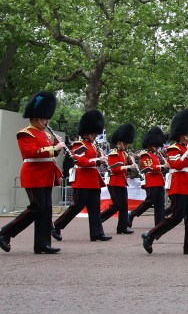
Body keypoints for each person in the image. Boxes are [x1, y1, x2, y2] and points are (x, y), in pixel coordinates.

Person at [1, 91, 64, 254]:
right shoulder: (25, 133)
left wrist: (57, 147)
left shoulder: (44, 133)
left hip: (46, 176)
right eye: (45, 118)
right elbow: (31, 152)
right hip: (34, 175)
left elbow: (49, 153)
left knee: (46, 209)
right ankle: (5, 233)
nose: (47, 121)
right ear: (35, 117)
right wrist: (53, 148)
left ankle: (42, 244)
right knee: (37, 208)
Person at [141, 109, 188, 255]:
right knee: (176, 216)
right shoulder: (173, 148)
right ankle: (150, 235)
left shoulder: (187, 148)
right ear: (183, 135)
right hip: (179, 185)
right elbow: (177, 165)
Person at [52, 109, 110, 242]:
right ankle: (57, 225)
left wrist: (101, 158)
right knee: (77, 206)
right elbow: (80, 161)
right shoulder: (80, 144)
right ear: (87, 133)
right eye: (94, 133)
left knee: (95, 208)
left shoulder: (93, 146)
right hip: (83, 179)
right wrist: (97, 160)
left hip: (93, 180)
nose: (96, 135)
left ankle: (97, 233)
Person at [100, 123, 138, 235]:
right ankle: (98, 219)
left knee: (124, 206)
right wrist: (128, 166)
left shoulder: (124, 154)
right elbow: (115, 169)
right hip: (114, 182)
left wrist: (132, 163)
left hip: (122, 182)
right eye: (125, 143)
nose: (126, 145)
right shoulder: (113, 153)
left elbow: (126, 170)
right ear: (119, 142)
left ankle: (122, 227)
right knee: (117, 205)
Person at [128, 127, 168, 226]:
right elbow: (149, 168)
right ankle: (132, 214)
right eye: (156, 145)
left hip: (159, 182)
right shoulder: (146, 155)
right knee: (149, 202)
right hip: (152, 182)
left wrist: (164, 163)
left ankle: (160, 223)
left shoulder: (155, 155)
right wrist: (163, 166)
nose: (158, 147)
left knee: (160, 203)